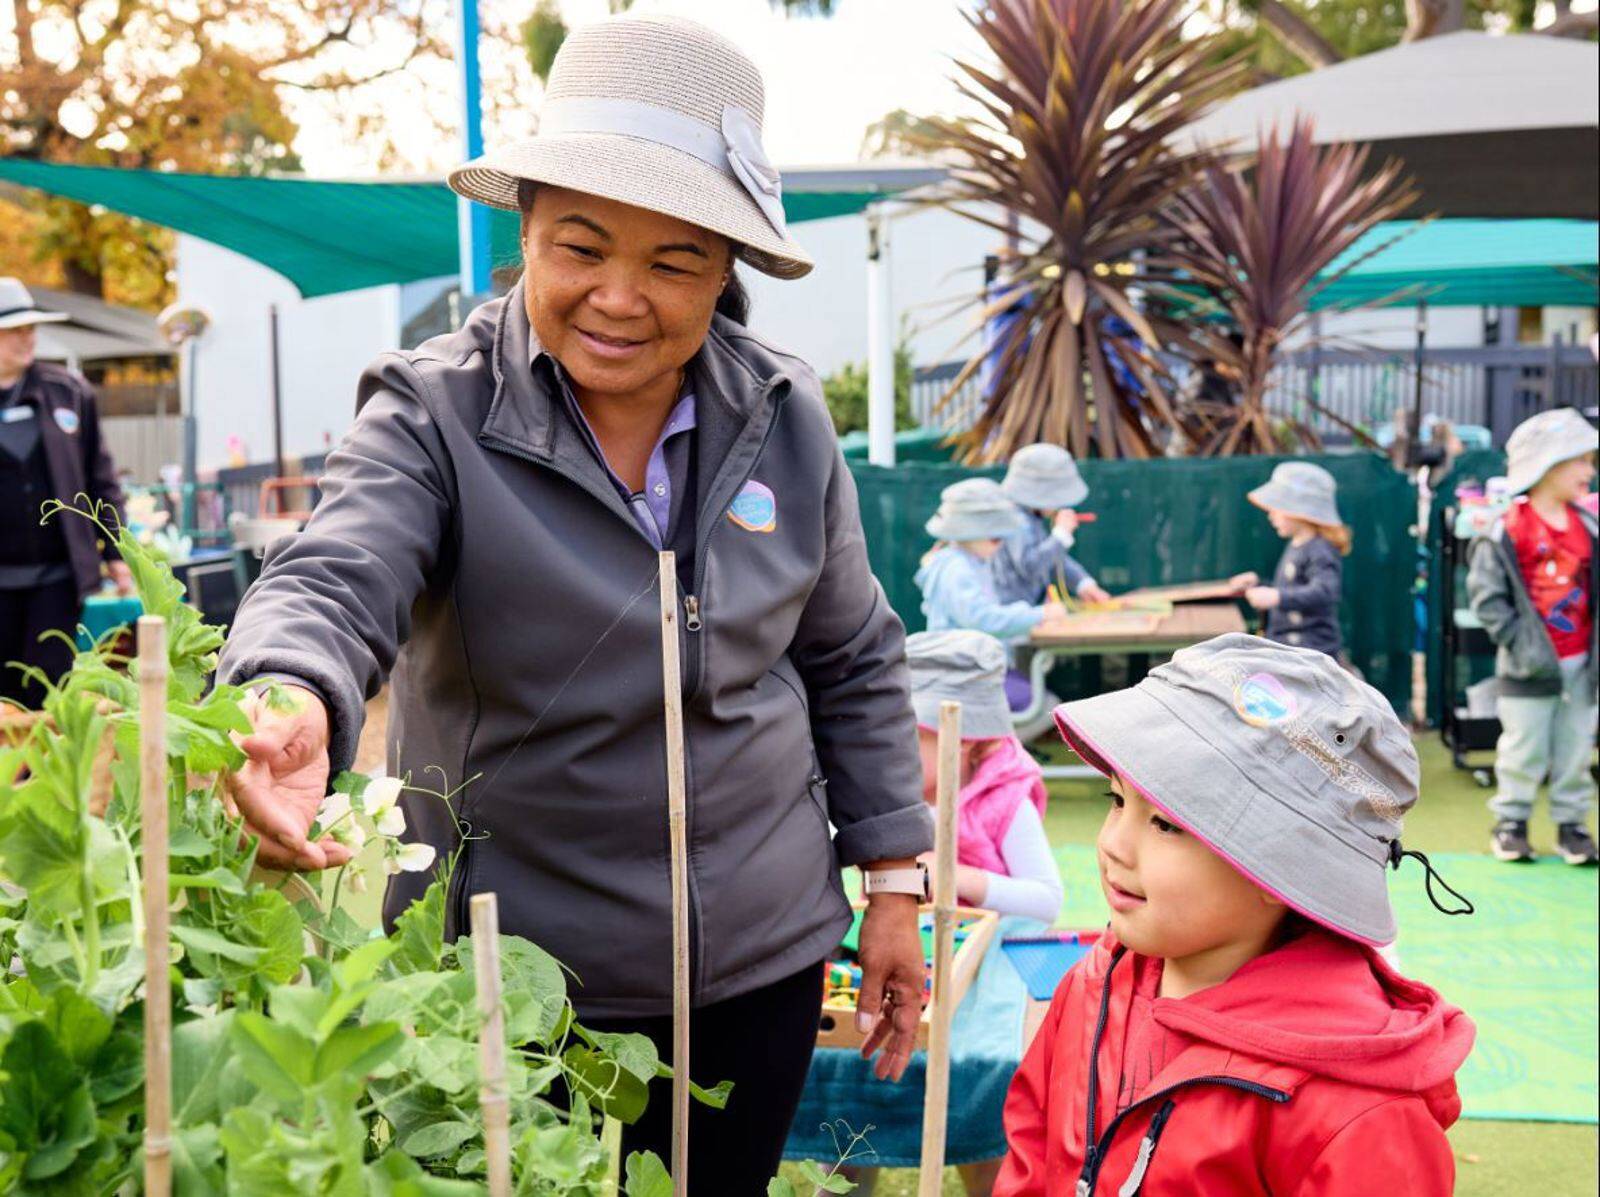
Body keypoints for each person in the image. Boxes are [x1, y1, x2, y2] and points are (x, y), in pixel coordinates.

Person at [214, 15, 933, 1188]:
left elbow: (850, 658)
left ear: (724, 271)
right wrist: (290, 686)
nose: (619, 297)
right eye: (581, 248)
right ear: (527, 232)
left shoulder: (787, 419)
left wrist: (893, 882)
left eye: (674, 262)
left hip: (757, 964)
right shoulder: (432, 412)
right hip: (509, 976)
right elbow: (338, 572)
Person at [995, 634, 1476, 1196]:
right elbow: (1033, 1150)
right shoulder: (1095, 984)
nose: (1114, 845)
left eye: (1168, 824)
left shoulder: (1355, 1112)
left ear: (1286, 871)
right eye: (1118, 800)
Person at [1466, 406, 1598, 866]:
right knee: (1522, 746)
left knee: (1577, 746)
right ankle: (1512, 823)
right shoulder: (1508, 528)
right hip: (1527, 664)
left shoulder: (1589, 527)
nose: (1589, 470)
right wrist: (1521, 643)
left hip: (1583, 663)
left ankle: (1572, 825)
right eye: (1580, 460)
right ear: (1548, 465)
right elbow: (1487, 597)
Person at [0, 278, 131, 710]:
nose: (28, 337)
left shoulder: (70, 393)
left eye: (31, 327)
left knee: (50, 695)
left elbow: (101, 479)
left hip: (57, 581)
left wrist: (118, 552)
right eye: (15, 329)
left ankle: (51, 776)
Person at [915, 478, 1066, 711]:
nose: (1000, 545)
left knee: (1044, 703)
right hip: (963, 676)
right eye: (996, 538)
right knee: (1045, 707)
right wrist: (1039, 615)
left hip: (976, 669)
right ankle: (988, 745)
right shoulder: (957, 569)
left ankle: (990, 745)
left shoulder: (973, 561)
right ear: (967, 534)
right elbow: (982, 619)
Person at [1230, 461, 1350, 660]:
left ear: (1299, 512)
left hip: (1311, 652)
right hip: (1288, 648)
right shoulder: (1297, 545)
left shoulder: (1320, 550)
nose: (1271, 516)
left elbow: (1325, 591)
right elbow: (1293, 587)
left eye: (1276, 509)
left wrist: (1276, 597)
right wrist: (1259, 584)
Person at [992, 443, 1111, 607]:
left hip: (1031, 612)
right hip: (1014, 618)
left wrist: (1083, 583)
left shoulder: (1031, 516)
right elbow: (1030, 566)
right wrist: (1061, 535)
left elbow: (1051, 558)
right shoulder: (1015, 520)